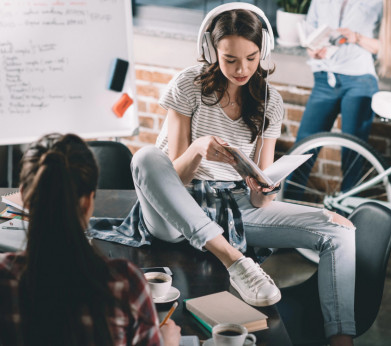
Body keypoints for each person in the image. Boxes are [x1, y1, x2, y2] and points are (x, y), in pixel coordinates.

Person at [129, 3, 357, 345]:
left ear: (262, 50)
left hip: (233, 207)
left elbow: (260, 201)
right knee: (146, 157)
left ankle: (342, 341)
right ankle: (235, 261)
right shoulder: (187, 85)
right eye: (230, 59)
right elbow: (172, 176)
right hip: (175, 210)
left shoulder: (270, 100)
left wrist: (263, 189)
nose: (242, 69)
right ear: (211, 51)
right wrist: (197, 149)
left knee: (338, 233)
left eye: (251, 58)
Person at [0, 133, 181, 346]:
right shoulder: (125, 283)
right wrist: (167, 343)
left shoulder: (4, 276)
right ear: (88, 203)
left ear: (25, 198)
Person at [291, 0, 391, 193]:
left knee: (353, 156)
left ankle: (349, 215)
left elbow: (389, 49)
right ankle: (287, 206)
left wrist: (356, 37)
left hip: (359, 81)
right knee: (302, 148)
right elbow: (310, 33)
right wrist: (313, 50)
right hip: (324, 78)